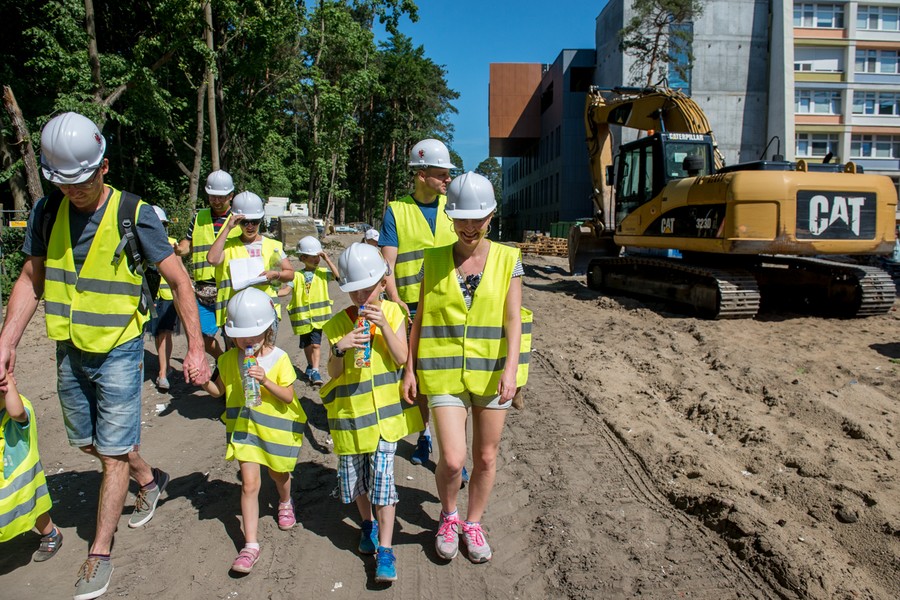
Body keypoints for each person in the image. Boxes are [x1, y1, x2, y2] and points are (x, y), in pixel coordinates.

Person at [0, 112, 210, 600]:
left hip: (119, 349)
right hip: (69, 348)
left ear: (104, 167)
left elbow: (180, 281)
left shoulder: (135, 214)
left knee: (110, 453)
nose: (74, 190)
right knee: (86, 443)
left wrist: (195, 348)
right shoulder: (45, 211)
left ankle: (99, 552)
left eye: (83, 180)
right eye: (64, 181)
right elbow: (32, 280)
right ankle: (149, 476)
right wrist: (7, 341)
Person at [401, 172, 532, 564]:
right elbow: (419, 319)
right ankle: (449, 515)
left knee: (487, 457)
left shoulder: (510, 258)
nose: (470, 227)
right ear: (450, 217)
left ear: (491, 216)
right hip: (442, 374)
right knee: (454, 459)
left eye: (478, 218)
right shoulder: (433, 259)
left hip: (492, 373)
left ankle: (473, 523)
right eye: (461, 218)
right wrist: (410, 369)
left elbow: (513, 319)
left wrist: (511, 370)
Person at [319, 243, 423, 583]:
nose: (363, 297)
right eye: (355, 291)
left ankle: (387, 551)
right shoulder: (336, 324)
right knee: (358, 483)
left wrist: (386, 327)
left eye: (369, 289)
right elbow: (333, 373)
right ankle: (368, 525)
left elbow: (402, 357)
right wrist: (340, 347)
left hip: (385, 423)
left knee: (383, 481)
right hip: (352, 421)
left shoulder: (393, 313)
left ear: (382, 283)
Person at [200, 288, 305, 574]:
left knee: (279, 475)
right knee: (249, 485)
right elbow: (218, 391)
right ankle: (250, 545)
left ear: (269, 329)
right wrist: (202, 382)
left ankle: (285, 500)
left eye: (256, 335)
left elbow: (287, 396)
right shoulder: (226, 360)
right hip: (245, 432)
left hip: (273, 434)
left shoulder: (279, 358)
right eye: (242, 335)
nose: (248, 341)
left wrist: (266, 380)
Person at [379, 138, 458, 468]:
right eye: (442, 174)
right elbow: (387, 266)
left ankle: (452, 449)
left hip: (449, 307)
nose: (448, 180)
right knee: (421, 379)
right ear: (421, 173)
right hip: (410, 308)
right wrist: (396, 302)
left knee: (450, 379)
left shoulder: (454, 208)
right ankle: (425, 434)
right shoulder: (397, 211)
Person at [175, 169, 241, 359]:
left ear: (231, 196)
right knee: (203, 337)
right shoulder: (199, 217)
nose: (216, 201)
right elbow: (187, 244)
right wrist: (179, 250)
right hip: (203, 289)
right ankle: (222, 361)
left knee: (233, 338)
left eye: (221, 197)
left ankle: (230, 375)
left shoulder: (238, 219)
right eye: (212, 196)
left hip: (229, 287)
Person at [207, 191, 294, 332]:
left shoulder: (273, 246)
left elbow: (290, 274)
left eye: (255, 222)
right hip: (235, 312)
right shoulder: (228, 246)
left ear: (260, 221)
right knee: (236, 354)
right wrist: (228, 228)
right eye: (245, 222)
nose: (250, 226)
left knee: (264, 353)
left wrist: (275, 275)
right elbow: (212, 259)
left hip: (265, 309)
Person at [0, 374, 62, 562]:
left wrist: (7, 381)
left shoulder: (17, 411)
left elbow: (17, 413)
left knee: (32, 504)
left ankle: (51, 533)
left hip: (16, 476)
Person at [278, 236, 337, 386]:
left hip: (318, 319)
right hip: (303, 319)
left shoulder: (323, 273)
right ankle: (311, 366)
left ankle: (315, 370)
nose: (316, 260)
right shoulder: (296, 276)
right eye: (312, 257)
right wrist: (269, 292)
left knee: (316, 344)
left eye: (318, 257)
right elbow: (285, 291)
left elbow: (339, 277)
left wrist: (328, 259)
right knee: (307, 345)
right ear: (303, 257)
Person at [149, 205, 183, 392]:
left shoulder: (172, 243)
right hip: (150, 297)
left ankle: (163, 372)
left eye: (162, 225)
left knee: (163, 332)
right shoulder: (141, 242)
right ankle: (166, 366)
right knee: (159, 333)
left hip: (168, 298)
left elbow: (179, 270)